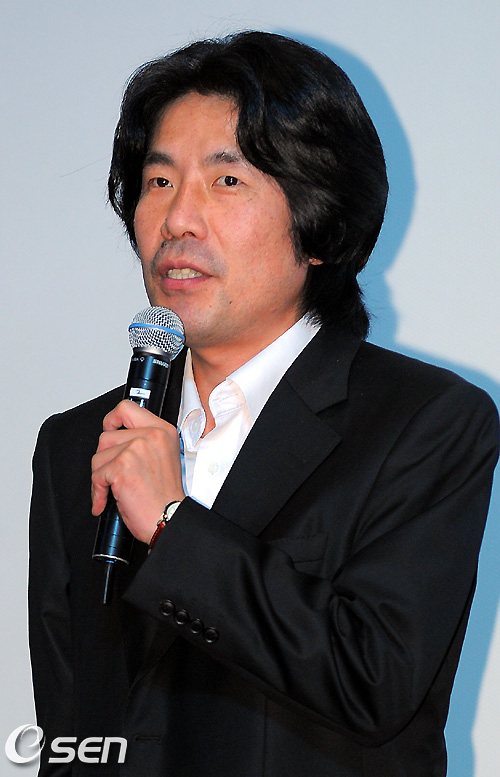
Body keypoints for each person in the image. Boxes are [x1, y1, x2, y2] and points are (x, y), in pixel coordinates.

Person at [29, 31, 499, 777]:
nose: (178, 220)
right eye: (159, 181)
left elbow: (372, 680)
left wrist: (174, 524)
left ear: (319, 226)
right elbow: (70, 721)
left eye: (226, 180)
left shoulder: (426, 421)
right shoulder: (81, 440)